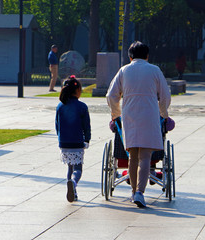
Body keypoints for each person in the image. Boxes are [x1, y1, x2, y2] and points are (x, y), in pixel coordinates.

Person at [106, 41, 171, 208]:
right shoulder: (155, 70)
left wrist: (116, 115)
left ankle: (133, 192)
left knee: (132, 156)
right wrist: (163, 113)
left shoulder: (124, 70)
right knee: (145, 157)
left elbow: (111, 96)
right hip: (150, 115)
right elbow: (165, 95)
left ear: (130, 56)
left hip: (130, 116)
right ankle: (140, 193)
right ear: (147, 56)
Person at [55, 75, 91, 202]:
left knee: (70, 167)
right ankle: (74, 183)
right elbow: (86, 126)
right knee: (78, 169)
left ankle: (73, 192)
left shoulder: (60, 106)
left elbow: (57, 125)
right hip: (77, 142)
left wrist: (60, 138)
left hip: (64, 142)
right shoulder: (82, 106)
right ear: (77, 91)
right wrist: (87, 139)